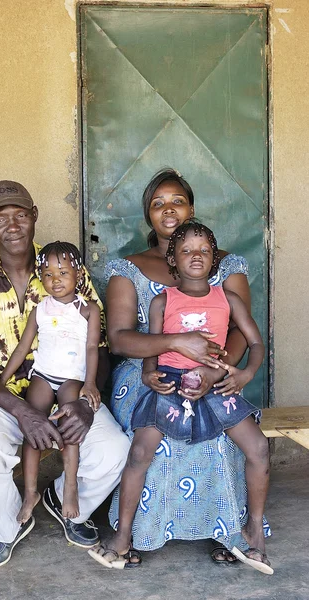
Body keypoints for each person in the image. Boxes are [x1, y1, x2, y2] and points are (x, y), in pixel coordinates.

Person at [0, 181, 130, 571]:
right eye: (0, 218)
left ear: (35, 216)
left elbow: (101, 344)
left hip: (67, 389)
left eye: (20, 215)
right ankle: (9, 525)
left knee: (114, 449)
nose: (12, 225)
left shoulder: (66, 266)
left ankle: (62, 502)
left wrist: (86, 403)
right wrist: (21, 410)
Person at [102, 168, 271, 567]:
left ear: (191, 208)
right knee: (159, 438)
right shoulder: (129, 269)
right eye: (157, 203)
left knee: (218, 434)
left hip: (216, 368)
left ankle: (229, 530)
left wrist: (217, 369)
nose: (168, 209)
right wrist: (174, 344)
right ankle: (138, 533)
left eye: (177, 200)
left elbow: (240, 332)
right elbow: (121, 339)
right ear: (148, 215)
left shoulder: (225, 267)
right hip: (148, 370)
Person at [0, 241, 101, 523]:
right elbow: (22, 348)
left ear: (79, 275)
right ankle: (30, 492)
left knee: (70, 426)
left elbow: (93, 347)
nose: (55, 281)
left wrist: (89, 383)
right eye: (48, 275)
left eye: (63, 273)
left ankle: (70, 486)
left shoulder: (88, 309)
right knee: (33, 425)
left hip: (72, 379)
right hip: (44, 376)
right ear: (40, 277)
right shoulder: (40, 309)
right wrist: (2, 380)